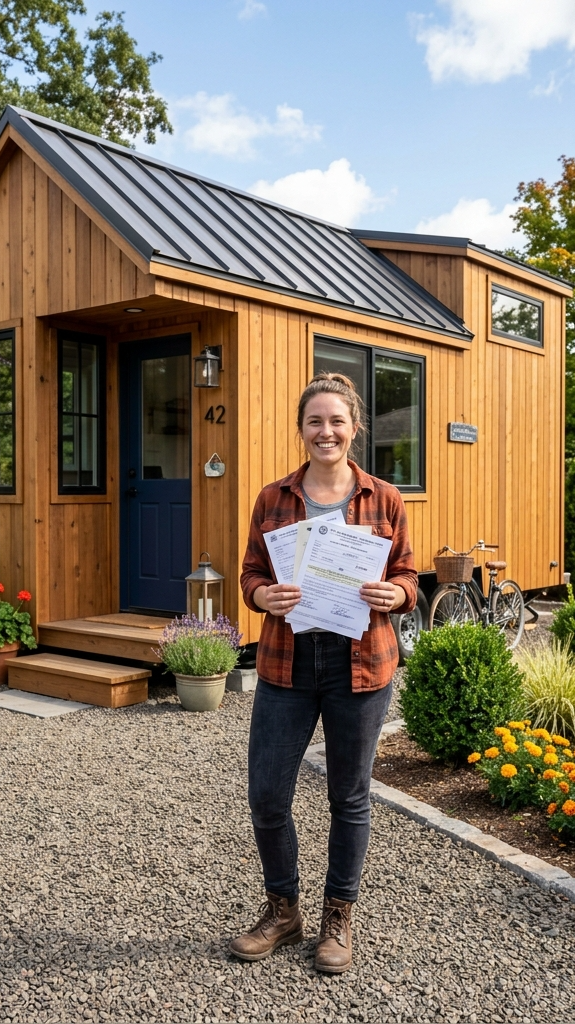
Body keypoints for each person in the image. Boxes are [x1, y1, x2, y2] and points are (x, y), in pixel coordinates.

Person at [231, 371, 418, 974]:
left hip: (360, 663)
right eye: (315, 421)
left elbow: (410, 576)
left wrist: (397, 594)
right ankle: (284, 912)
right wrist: (262, 600)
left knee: (349, 795)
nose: (326, 431)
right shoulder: (272, 498)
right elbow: (250, 574)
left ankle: (339, 914)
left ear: (354, 428)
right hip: (288, 659)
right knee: (266, 793)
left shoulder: (386, 499)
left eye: (337, 421)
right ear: (301, 429)